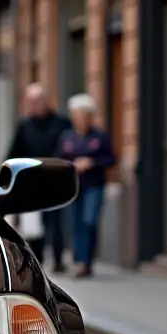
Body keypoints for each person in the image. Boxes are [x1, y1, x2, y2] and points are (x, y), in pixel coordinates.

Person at [7, 83, 72, 272]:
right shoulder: (24, 126)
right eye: (32, 101)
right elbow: (13, 152)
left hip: (56, 181)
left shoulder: (62, 123)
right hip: (32, 183)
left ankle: (59, 259)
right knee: (34, 226)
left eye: (39, 100)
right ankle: (39, 259)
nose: (36, 104)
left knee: (56, 223)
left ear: (47, 101)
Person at [57, 94, 116, 278]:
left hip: (94, 184)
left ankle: (87, 259)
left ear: (90, 116)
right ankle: (80, 262)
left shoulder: (100, 136)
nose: (79, 118)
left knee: (89, 220)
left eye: (83, 114)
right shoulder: (67, 137)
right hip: (73, 186)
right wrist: (72, 165)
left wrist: (92, 163)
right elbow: (58, 158)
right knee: (75, 223)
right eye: (76, 114)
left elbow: (111, 159)